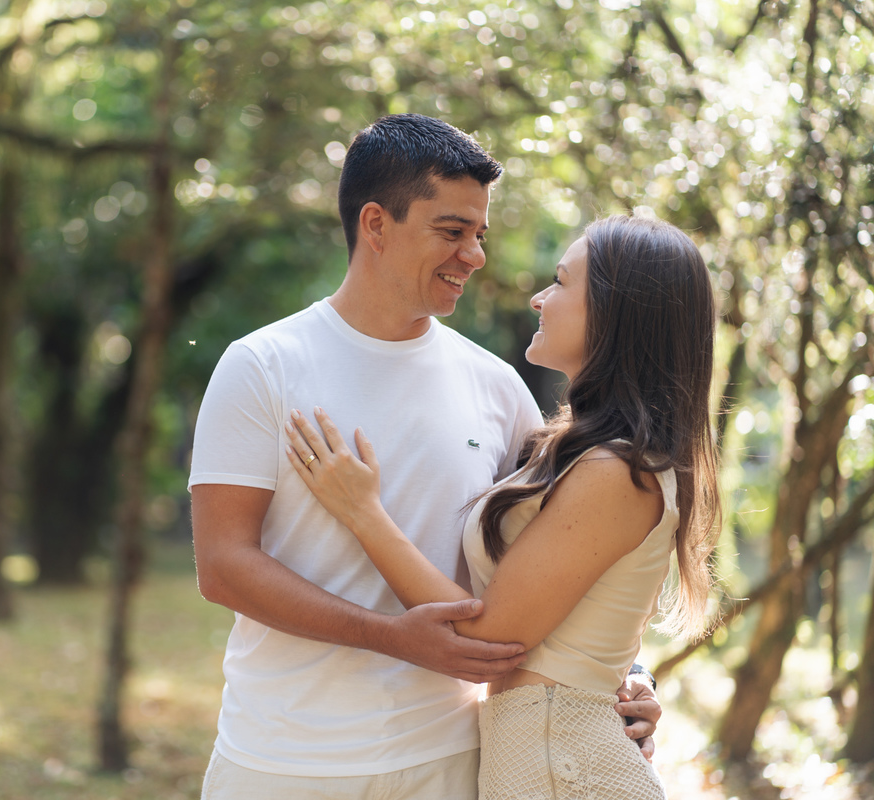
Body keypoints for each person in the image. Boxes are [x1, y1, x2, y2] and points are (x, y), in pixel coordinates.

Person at [189, 114, 660, 799]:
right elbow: (223, 566)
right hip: (283, 760)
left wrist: (630, 675)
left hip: (451, 760)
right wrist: (390, 635)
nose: (475, 256)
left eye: (480, 235)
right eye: (452, 231)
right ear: (376, 225)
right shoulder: (262, 366)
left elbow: (568, 558)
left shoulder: (497, 386)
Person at [284, 213, 720, 798]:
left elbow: (487, 638)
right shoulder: (578, 451)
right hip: (544, 757)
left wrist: (363, 513)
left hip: (565, 768)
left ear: (616, 314)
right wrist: (632, 674)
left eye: (560, 282)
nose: (539, 298)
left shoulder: (615, 471)